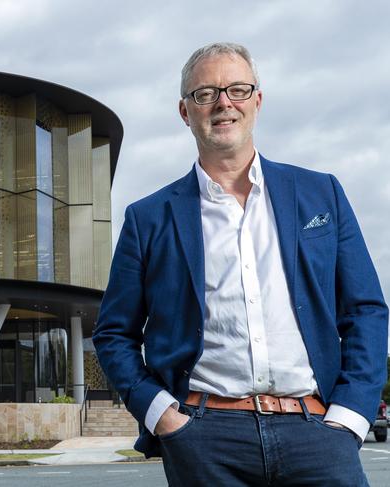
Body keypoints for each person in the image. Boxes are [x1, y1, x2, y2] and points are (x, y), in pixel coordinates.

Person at [92, 42, 388, 486]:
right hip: (205, 439)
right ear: (184, 111)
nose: (223, 103)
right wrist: (162, 415)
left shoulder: (320, 193)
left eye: (237, 89)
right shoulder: (148, 218)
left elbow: (365, 310)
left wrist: (350, 417)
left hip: (317, 430)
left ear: (258, 101)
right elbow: (114, 333)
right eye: (205, 93)